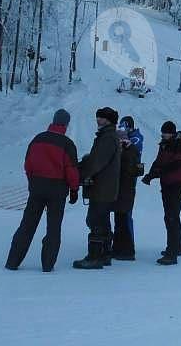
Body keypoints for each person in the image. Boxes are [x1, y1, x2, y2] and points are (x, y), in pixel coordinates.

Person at [6, 109, 80, 272]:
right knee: (53, 228)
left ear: (53, 121)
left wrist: (33, 182)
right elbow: (71, 170)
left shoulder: (37, 139)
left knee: (27, 225)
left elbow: (28, 164)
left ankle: (12, 262)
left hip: (37, 188)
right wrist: (74, 189)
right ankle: (47, 265)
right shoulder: (67, 144)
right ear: (66, 124)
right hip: (58, 190)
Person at [73, 107, 122, 270]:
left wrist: (81, 174)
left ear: (108, 120)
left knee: (95, 220)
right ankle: (105, 254)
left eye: (100, 118)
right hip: (105, 187)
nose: (97, 120)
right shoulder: (107, 136)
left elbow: (97, 161)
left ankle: (95, 257)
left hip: (103, 187)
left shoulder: (107, 137)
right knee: (102, 220)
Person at [142, 121, 181, 264]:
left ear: (172, 133)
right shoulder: (164, 144)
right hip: (167, 183)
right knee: (172, 215)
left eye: (166, 132)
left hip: (177, 183)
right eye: (163, 132)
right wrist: (150, 175)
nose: (163, 135)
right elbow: (158, 161)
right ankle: (177, 247)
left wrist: (160, 172)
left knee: (171, 216)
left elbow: (178, 163)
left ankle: (172, 252)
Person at [111, 119, 144, 261]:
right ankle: (120, 247)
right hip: (122, 182)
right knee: (120, 215)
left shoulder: (135, 139)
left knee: (125, 215)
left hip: (128, 182)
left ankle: (127, 248)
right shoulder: (128, 141)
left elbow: (131, 155)